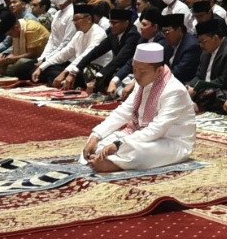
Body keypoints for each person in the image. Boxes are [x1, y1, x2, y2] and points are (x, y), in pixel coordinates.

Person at [83, 42, 196, 173]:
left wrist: (119, 144)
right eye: (134, 69)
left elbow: (157, 129)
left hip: (171, 142)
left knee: (137, 151)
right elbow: (123, 112)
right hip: (139, 134)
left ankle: (113, 164)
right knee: (101, 143)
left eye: (142, 72)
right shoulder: (141, 82)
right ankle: (108, 159)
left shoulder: (175, 91)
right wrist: (96, 136)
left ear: (159, 71)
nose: (137, 75)